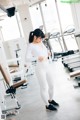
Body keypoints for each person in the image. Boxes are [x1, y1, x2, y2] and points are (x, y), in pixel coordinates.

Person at [25, 28, 59, 111]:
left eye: (41, 38)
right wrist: (37, 58)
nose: (41, 39)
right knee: (43, 87)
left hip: (47, 66)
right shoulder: (30, 45)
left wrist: (48, 53)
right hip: (40, 69)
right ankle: (47, 105)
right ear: (35, 37)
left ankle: (50, 100)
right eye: (40, 38)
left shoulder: (41, 43)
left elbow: (45, 52)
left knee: (52, 85)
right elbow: (27, 58)